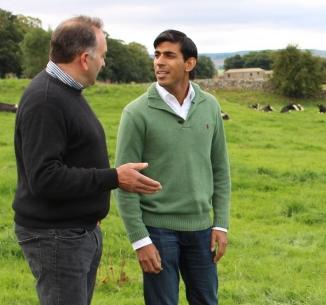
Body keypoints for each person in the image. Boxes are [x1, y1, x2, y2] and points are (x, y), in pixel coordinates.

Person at [13, 16, 161, 305]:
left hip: (74, 232)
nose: (103, 63)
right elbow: (45, 178)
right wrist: (114, 177)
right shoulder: (46, 99)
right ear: (84, 58)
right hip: (57, 236)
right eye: (102, 56)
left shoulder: (66, 92)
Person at [115, 29, 231, 305]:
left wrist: (221, 224)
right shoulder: (136, 112)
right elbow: (123, 182)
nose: (159, 62)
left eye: (169, 55)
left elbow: (220, 170)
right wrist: (140, 240)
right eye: (156, 55)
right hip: (157, 230)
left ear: (189, 64)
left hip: (202, 229)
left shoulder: (210, 106)